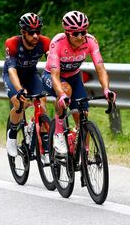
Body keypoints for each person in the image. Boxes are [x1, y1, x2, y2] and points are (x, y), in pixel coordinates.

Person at [42, 10, 116, 155]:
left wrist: (106, 89)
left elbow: (100, 69)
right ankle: (58, 132)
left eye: (83, 31)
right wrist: (61, 95)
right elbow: (55, 75)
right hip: (52, 77)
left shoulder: (90, 41)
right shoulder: (57, 43)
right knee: (65, 89)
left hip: (75, 77)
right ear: (67, 33)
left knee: (83, 116)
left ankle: (85, 155)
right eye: (75, 33)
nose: (80, 36)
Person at [4, 12, 51, 157]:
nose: (35, 36)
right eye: (31, 33)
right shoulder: (12, 43)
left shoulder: (44, 42)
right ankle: (12, 134)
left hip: (31, 74)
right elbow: (11, 70)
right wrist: (19, 90)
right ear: (23, 32)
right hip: (13, 75)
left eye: (38, 32)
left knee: (42, 103)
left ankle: (42, 140)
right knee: (20, 104)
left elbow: (52, 64)